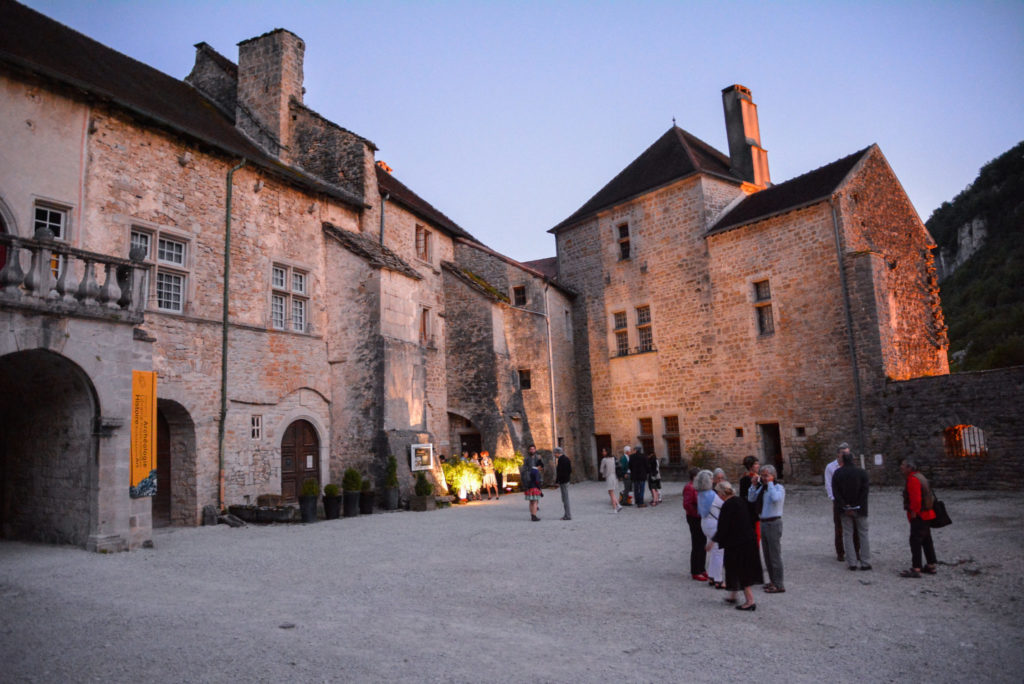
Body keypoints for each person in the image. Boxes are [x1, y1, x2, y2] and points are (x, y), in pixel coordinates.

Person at [710, 481, 763, 611]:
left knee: (740, 569)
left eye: (718, 493)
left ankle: (750, 601)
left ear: (722, 493)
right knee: (733, 568)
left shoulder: (728, 505)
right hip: (748, 539)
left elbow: (723, 527)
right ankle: (733, 595)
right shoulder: (740, 501)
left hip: (738, 543)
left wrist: (713, 541)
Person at [748, 464, 785, 593]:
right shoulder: (762, 489)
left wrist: (769, 484)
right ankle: (772, 580)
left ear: (773, 476)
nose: (764, 478)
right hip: (763, 522)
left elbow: (775, 498)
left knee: (775, 555)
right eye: (762, 475)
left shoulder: (778, 488)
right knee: (767, 555)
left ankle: (779, 583)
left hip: (773, 523)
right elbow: (751, 498)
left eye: (766, 475)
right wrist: (753, 485)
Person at [832, 451, 871, 571]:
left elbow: (836, 492)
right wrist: (856, 505)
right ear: (853, 460)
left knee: (847, 534)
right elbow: (865, 492)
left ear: (842, 460)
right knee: (863, 534)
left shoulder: (838, 473)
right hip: (860, 508)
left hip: (844, 509)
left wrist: (846, 505)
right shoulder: (862, 473)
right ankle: (865, 562)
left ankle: (852, 562)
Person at [899, 459, 937, 578]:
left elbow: (916, 499)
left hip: (920, 515)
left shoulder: (913, 479)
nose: (901, 467)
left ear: (909, 468)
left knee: (915, 541)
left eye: (903, 465)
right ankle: (931, 565)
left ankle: (916, 567)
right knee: (926, 540)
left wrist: (914, 512)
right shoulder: (920, 476)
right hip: (927, 514)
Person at [825, 443, 860, 563]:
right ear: (838, 454)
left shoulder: (851, 467)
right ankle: (840, 552)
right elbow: (829, 485)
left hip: (851, 500)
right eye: (844, 453)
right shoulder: (831, 467)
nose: (846, 455)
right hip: (838, 501)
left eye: (848, 453)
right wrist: (835, 499)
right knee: (839, 527)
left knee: (855, 526)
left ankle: (856, 551)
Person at [696, 469, 725, 588]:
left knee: (714, 550)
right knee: (719, 551)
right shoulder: (712, 495)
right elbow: (724, 505)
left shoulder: (700, 494)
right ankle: (718, 579)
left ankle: (712, 576)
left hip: (705, 523)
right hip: (714, 524)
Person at [683, 467, 707, 581]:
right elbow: (687, 504)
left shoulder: (698, 487)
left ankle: (702, 568)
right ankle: (695, 570)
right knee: (697, 543)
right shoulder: (689, 487)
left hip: (700, 516)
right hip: (694, 518)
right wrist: (697, 513)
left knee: (702, 542)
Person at [738, 456, 761, 530]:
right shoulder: (746, 479)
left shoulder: (758, 478)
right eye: (756, 464)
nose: (758, 466)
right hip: (752, 511)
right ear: (750, 466)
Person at [599, 448, 621, 512]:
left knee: (611, 493)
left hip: (609, 477)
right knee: (611, 492)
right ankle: (617, 505)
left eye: (604, 451)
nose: (603, 452)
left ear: (606, 452)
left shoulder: (604, 460)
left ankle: (616, 507)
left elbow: (601, 470)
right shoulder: (613, 458)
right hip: (614, 476)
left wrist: (604, 472)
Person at [555, 447, 572, 520]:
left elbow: (560, 472)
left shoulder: (561, 460)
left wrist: (558, 481)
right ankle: (567, 514)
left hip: (563, 481)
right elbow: (570, 470)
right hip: (566, 480)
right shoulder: (566, 459)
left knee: (565, 499)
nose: (554, 455)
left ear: (557, 453)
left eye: (555, 453)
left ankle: (568, 515)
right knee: (564, 498)